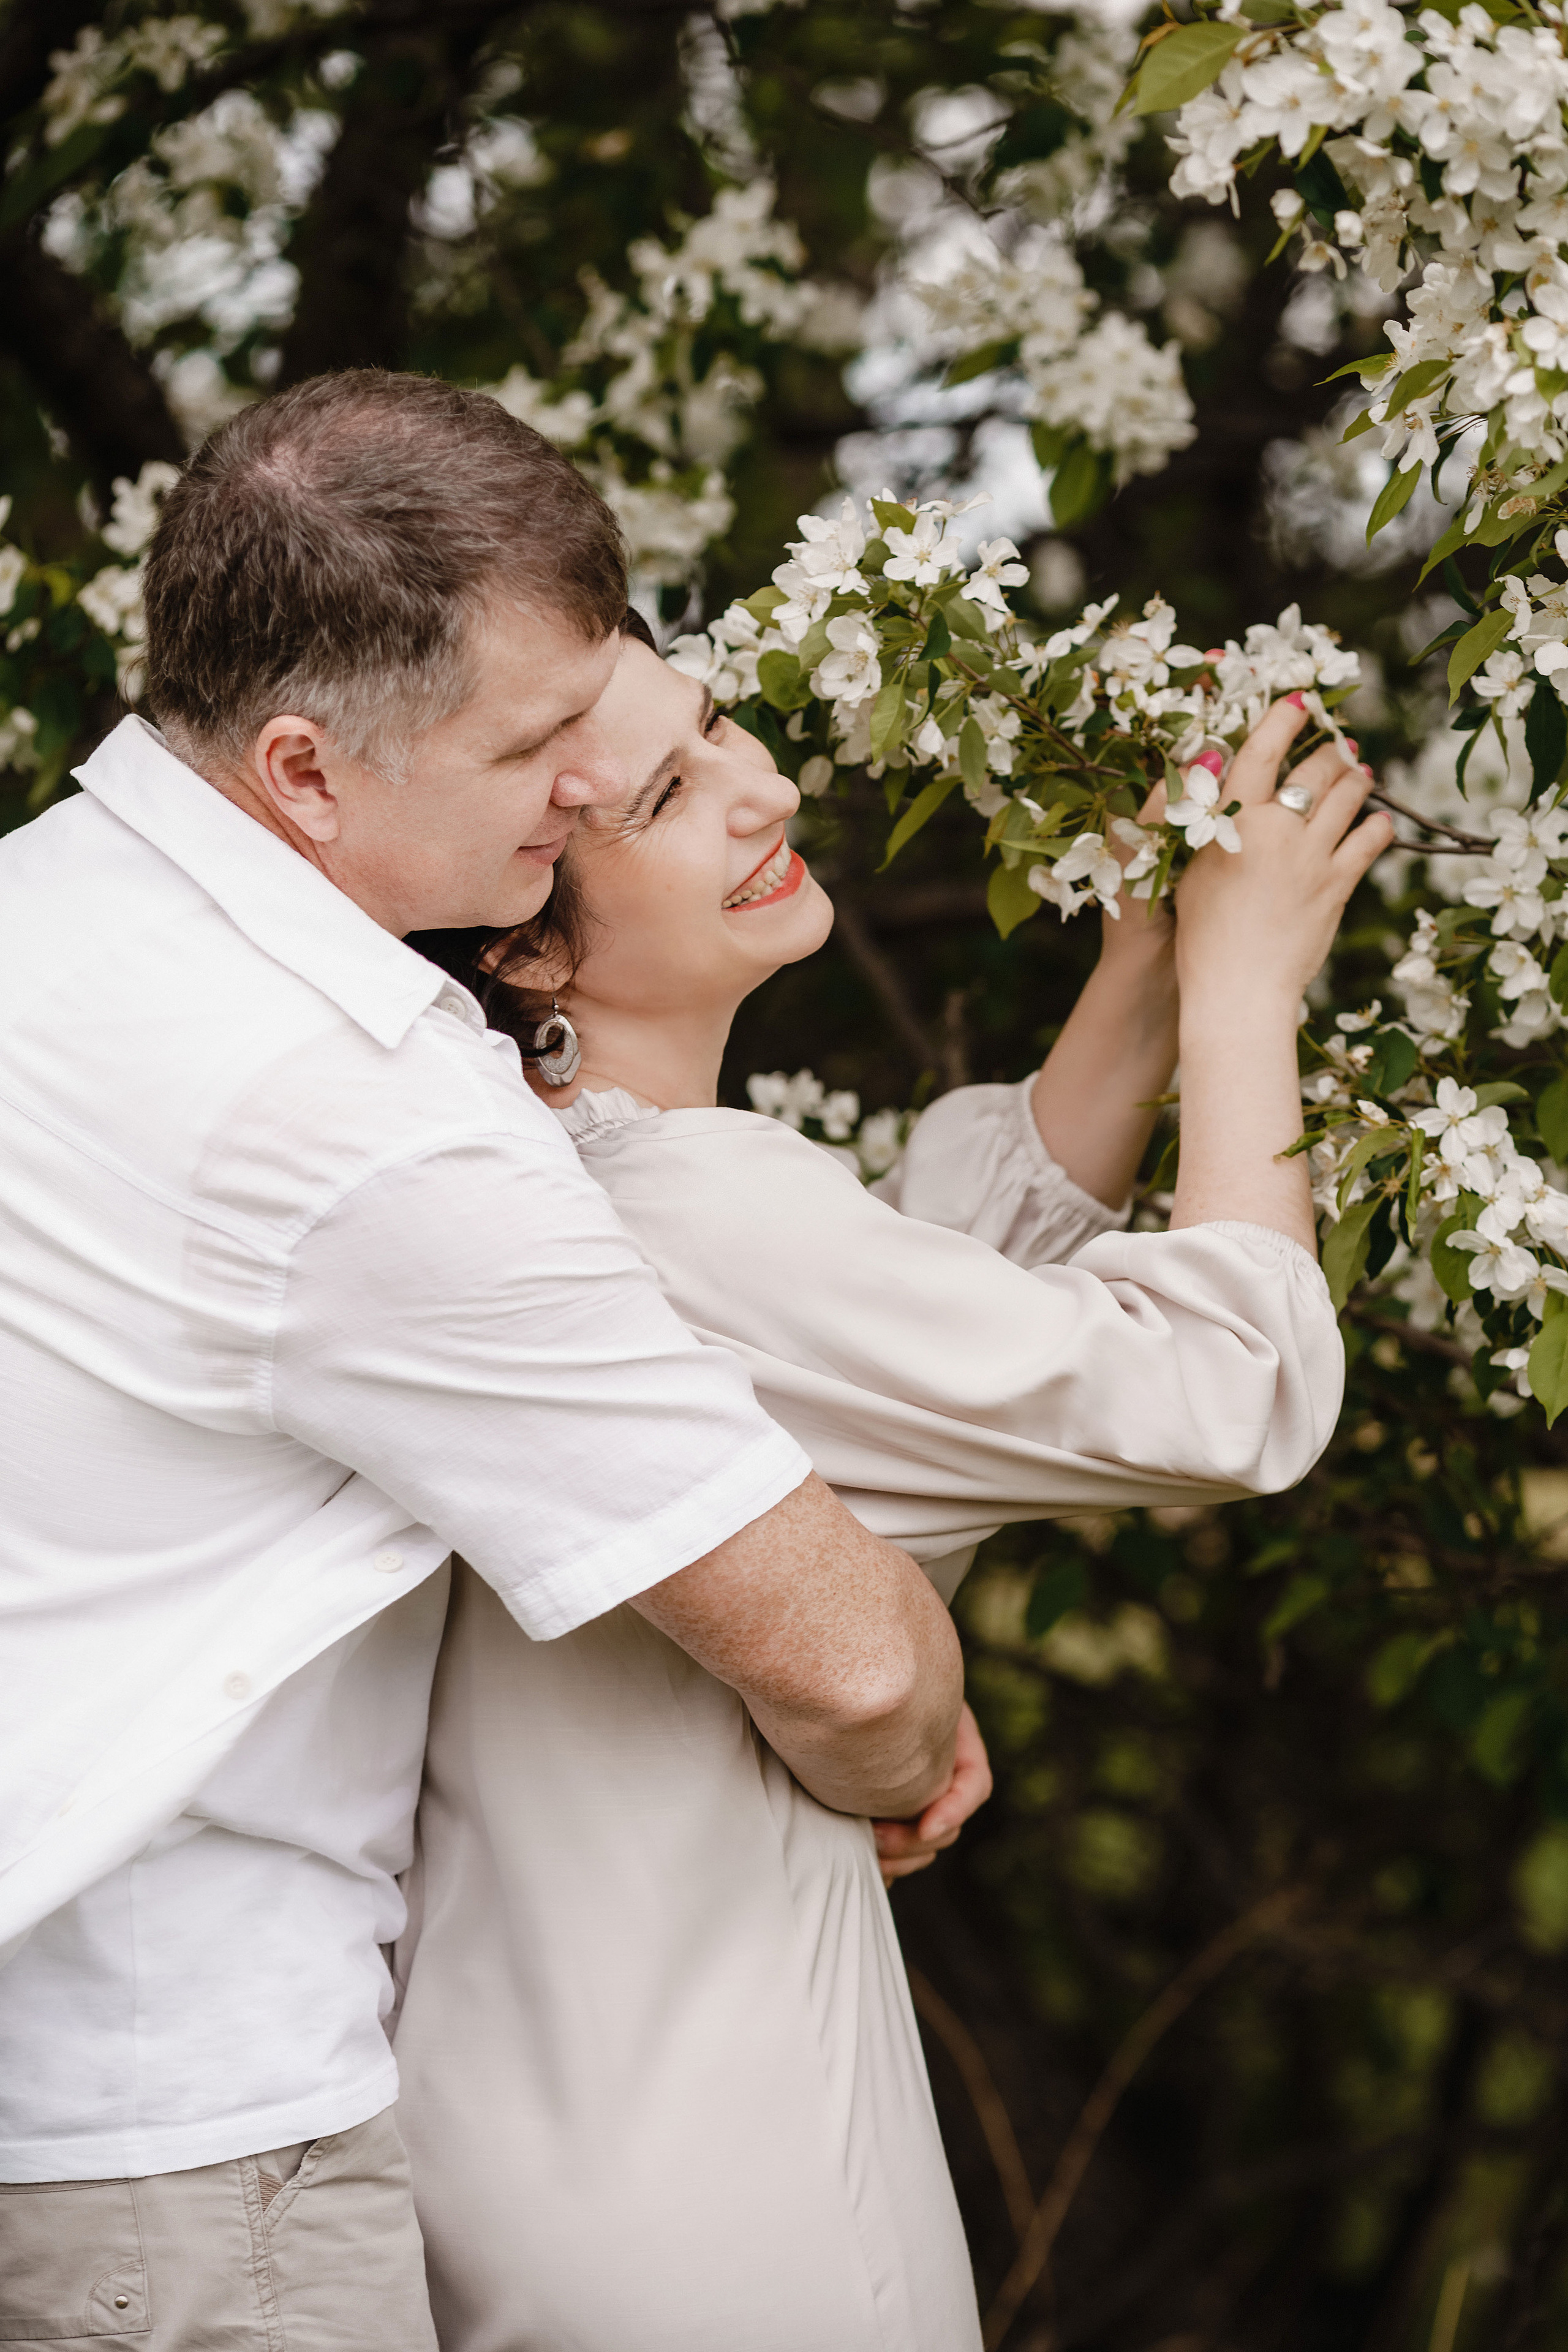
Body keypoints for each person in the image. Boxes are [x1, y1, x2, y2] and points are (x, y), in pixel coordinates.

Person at [0, 375, 967, 2352]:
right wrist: (912, 1736)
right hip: (186, 2163)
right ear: (305, 770)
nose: (589, 789)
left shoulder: (46, 913)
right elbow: (852, 1663)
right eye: (531, 745)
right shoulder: (351, 1117)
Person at [391, 623, 1389, 2351]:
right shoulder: (687, 1207)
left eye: (724, 727)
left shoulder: (541, 1195)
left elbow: (914, 1311)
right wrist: (1249, 990)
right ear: (526, 935)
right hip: (723, 2179)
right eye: (668, 796)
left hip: (553, 2125)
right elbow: (1229, 1388)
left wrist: (1148, 954)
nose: (766, 789)